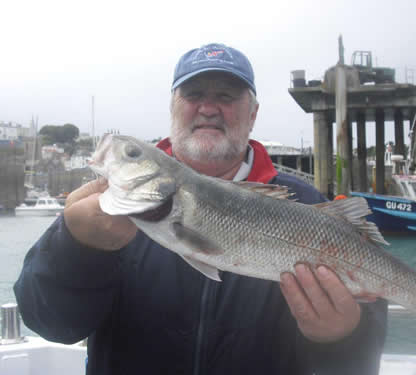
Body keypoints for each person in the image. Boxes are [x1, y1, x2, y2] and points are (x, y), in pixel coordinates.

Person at [14, 43, 387, 375]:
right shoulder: (107, 208)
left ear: (253, 112)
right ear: (173, 107)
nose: (208, 108)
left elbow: (359, 364)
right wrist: (77, 249)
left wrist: (344, 336)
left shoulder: (307, 206)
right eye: (193, 94)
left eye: (226, 96)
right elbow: (51, 325)